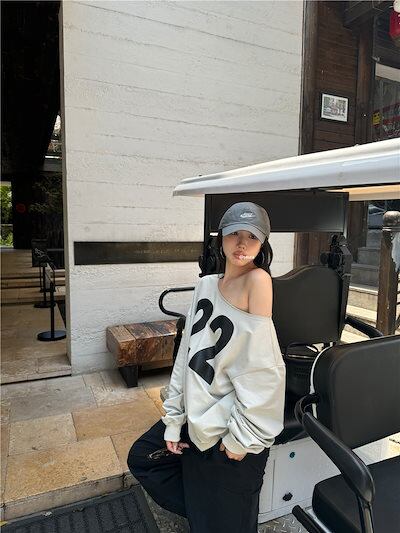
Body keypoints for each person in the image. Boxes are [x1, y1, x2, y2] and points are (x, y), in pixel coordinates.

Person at [127, 202, 286, 533]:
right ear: (221, 238)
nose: (242, 244)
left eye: (252, 237)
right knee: (144, 458)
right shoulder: (206, 285)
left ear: (262, 244)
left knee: (226, 518)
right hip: (197, 420)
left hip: (230, 431)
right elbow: (186, 357)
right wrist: (174, 420)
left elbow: (262, 371)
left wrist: (242, 439)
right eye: (234, 234)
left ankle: (213, 513)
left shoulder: (257, 281)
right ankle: (207, 511)